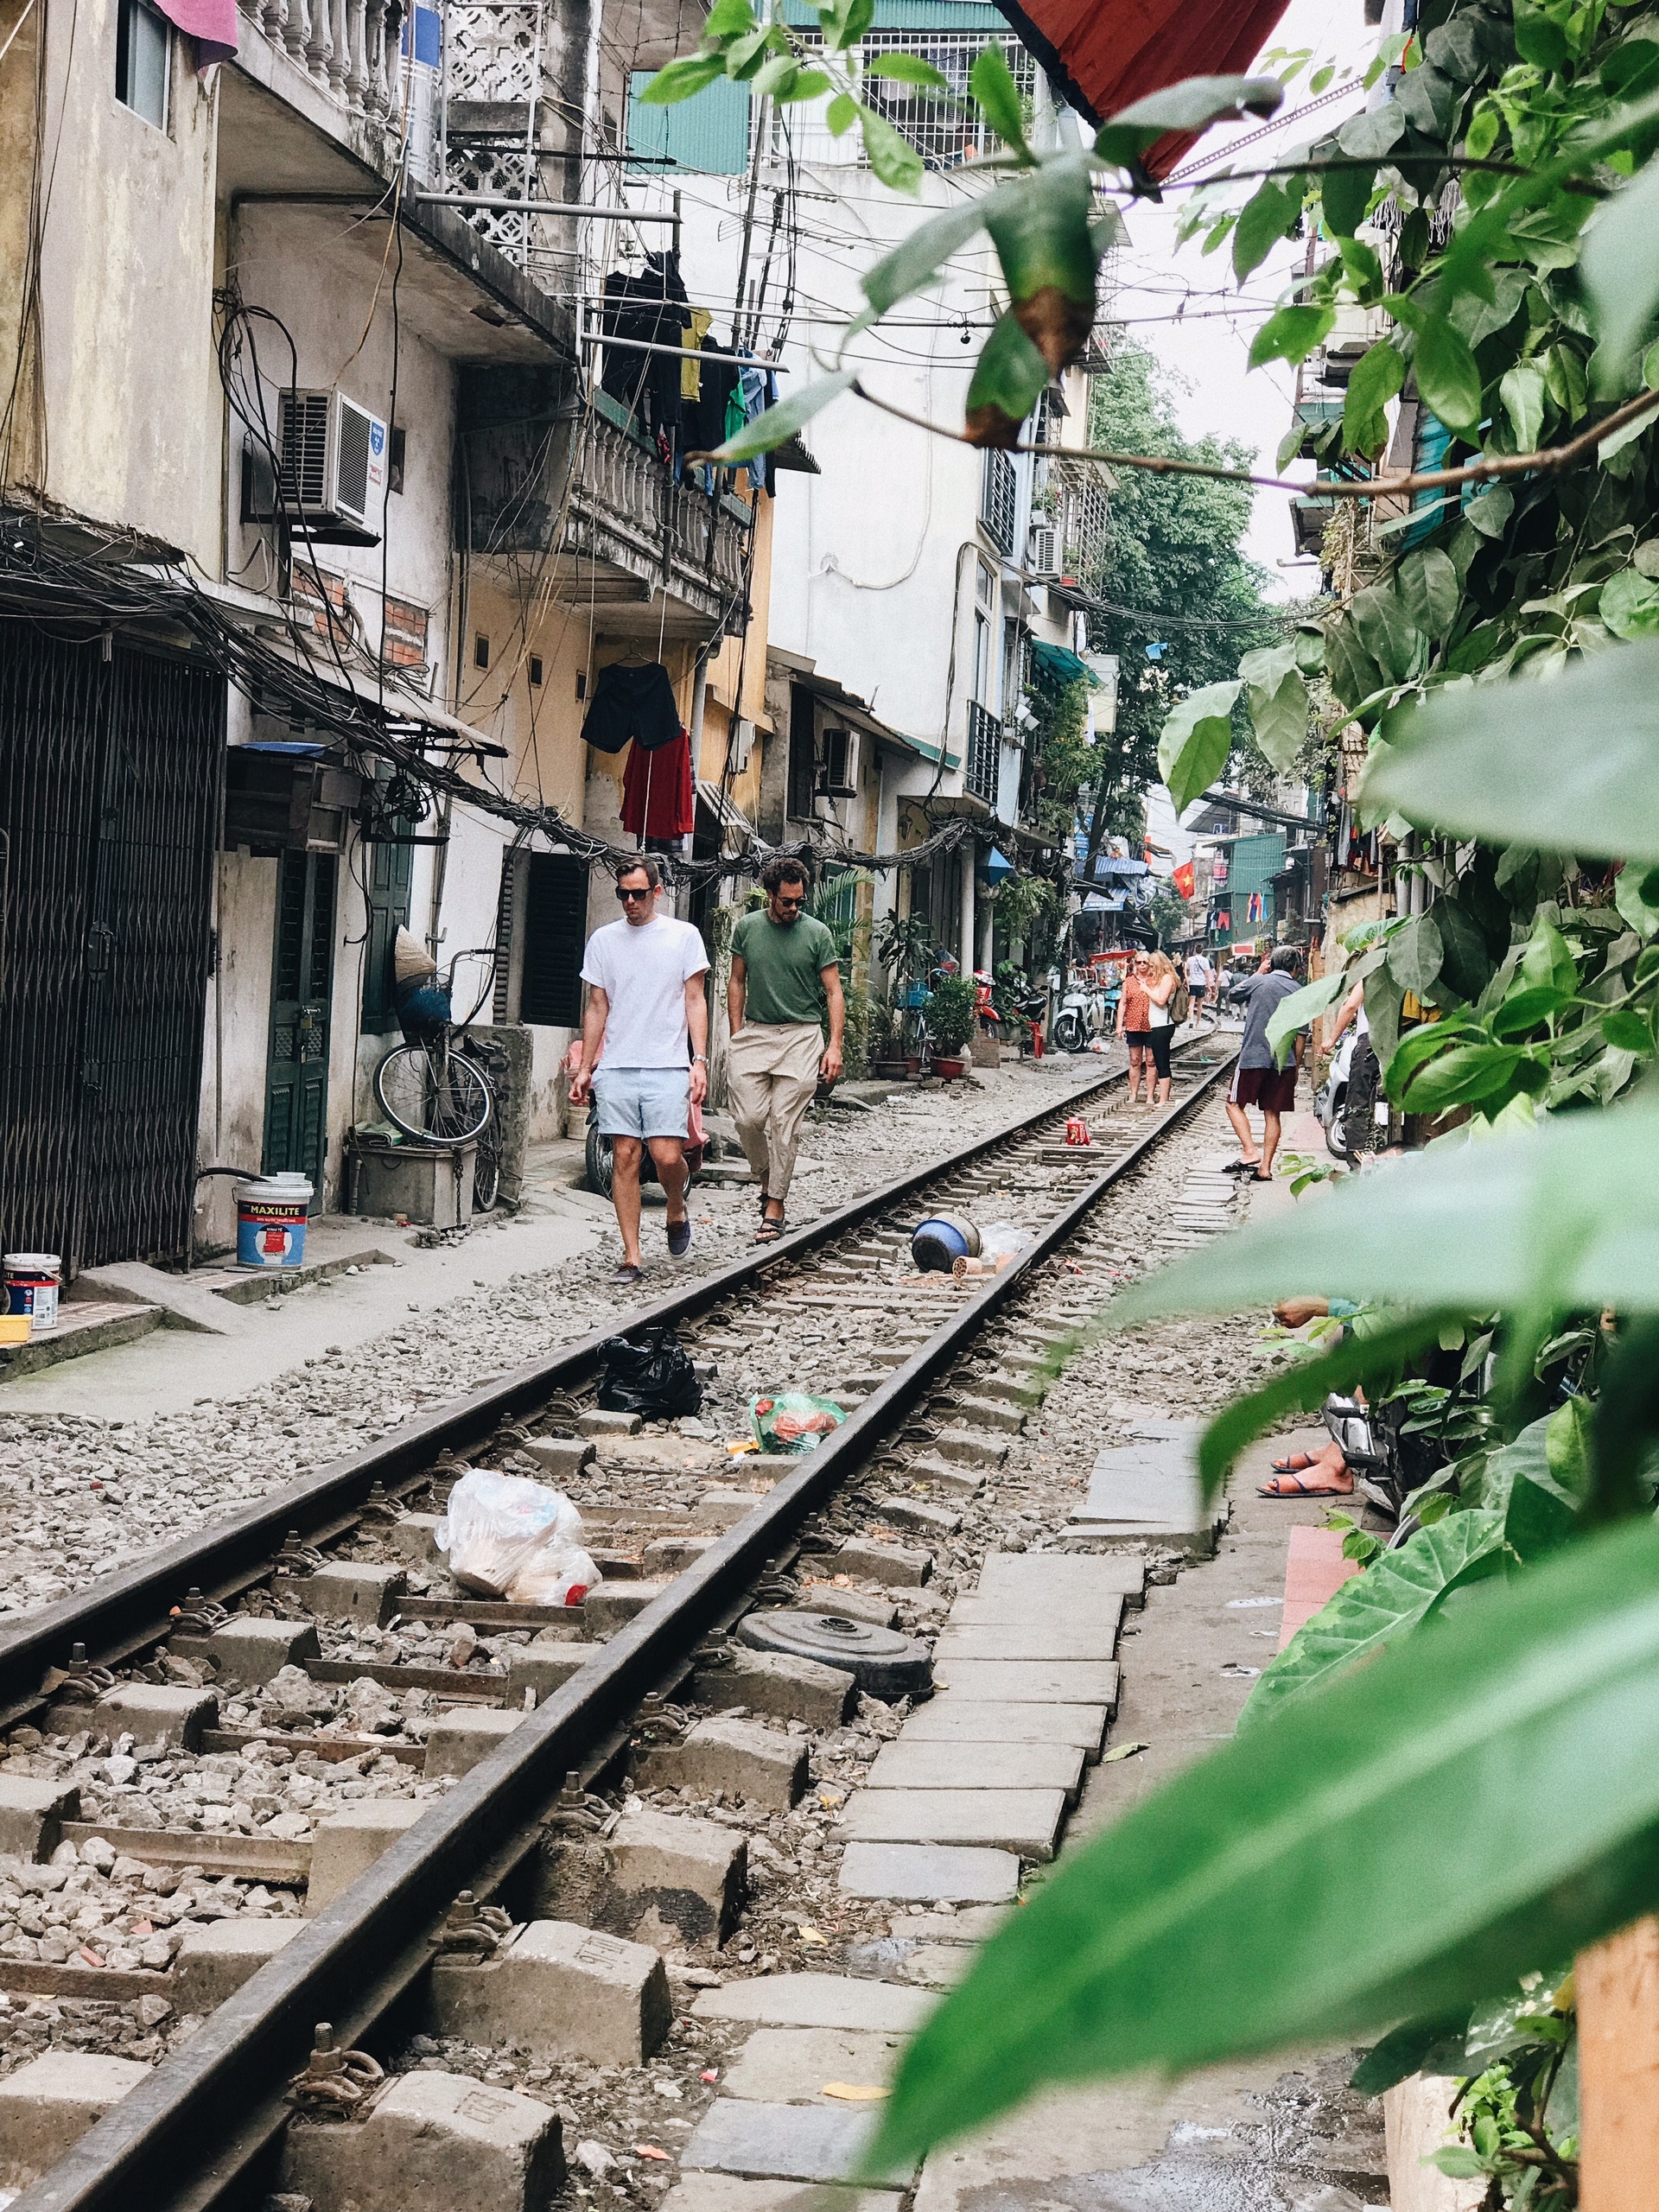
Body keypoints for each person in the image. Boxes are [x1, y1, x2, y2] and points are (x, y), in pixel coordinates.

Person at [569, 855, 709, 1284]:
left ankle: (675, 1203)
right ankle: (632, 1257)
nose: (630, 901)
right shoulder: (604, 940)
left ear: (657, 892)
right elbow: (597, 1006)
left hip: (667, 1064)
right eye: (623, 894)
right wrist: (586, 1067)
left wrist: (699, 1060)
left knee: (666, 1154)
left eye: (638, 893)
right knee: (625, 1156)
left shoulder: (683, 936)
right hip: (617, 1066)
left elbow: (694, 1000)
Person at [727, 856, 845, 1242]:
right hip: (756, 1033)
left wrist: (835, 1046)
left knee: (784, 1123)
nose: (794, 908)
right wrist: (736, 1034)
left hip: (801, 1035)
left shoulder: (817, 934)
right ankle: (766, 1176)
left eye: (800, 901)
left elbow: (833, 991)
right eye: (787, 901)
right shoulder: (747, 928)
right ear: (770, 896)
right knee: (746, 1119)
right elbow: (736, 981)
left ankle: (774, 1204)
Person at [1224, 945, 1306, 1181]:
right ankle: (1266, 1168)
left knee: (1234, 1103)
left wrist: (1259, 972)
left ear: (1272, 964)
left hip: (1254, 1056)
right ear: (1294, 968)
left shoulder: (1259, 982)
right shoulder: (1300, 991)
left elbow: (1233, 994)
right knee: (1273, 1113)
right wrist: (1296, 1066)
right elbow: (1301, 1036)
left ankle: (1250, 1151)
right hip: (1284, 1061)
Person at [1141, 950, 1179, 1103]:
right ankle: (1164, 1097)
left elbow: (1161, 1001)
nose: (1150, 968)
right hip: (1158, 1024)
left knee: (1162, 1063)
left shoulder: (1167, 979)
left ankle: (1163, 1099)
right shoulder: (1163, 978)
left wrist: (1147, 990)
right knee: (1160, 1060)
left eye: (1151, 965)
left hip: (1163, 1025)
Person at [1185, 949, 1214, 1025]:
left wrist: (1188, 981)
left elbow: (1187, 971)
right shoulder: (1205, 960)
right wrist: (1208, 985)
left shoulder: (1190, 959)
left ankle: (1191, 1020)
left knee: (1191, 1003)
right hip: (1201, 983)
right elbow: (1207, 974)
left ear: (1195, 951)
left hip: (1192, 983)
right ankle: (1198, 1022)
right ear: (1202, 951)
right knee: (1200, 1004)